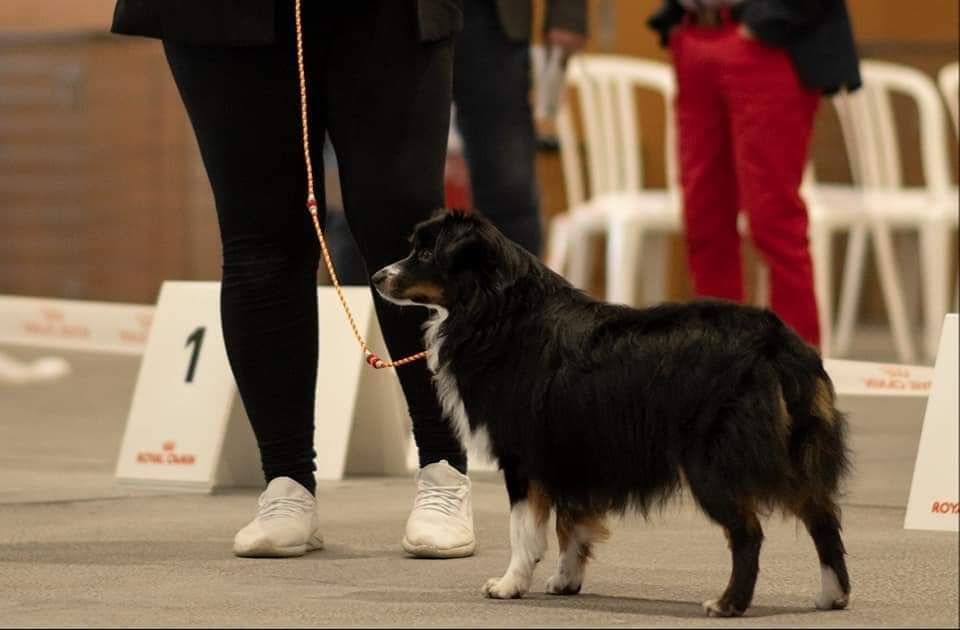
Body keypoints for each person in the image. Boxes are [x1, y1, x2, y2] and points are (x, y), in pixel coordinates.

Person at [111, 0, 477, 559]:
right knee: (259, 237)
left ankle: (444, 471)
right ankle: (285, 485)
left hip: (390, 15)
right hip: (226, 17)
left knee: (407, 234)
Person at [648, 0, 861, 348]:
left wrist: (762, 23)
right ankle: (717, 358)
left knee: (772, 220)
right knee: (703, 217)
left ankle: (797, 374)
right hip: (694, 34)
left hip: (766, 40)